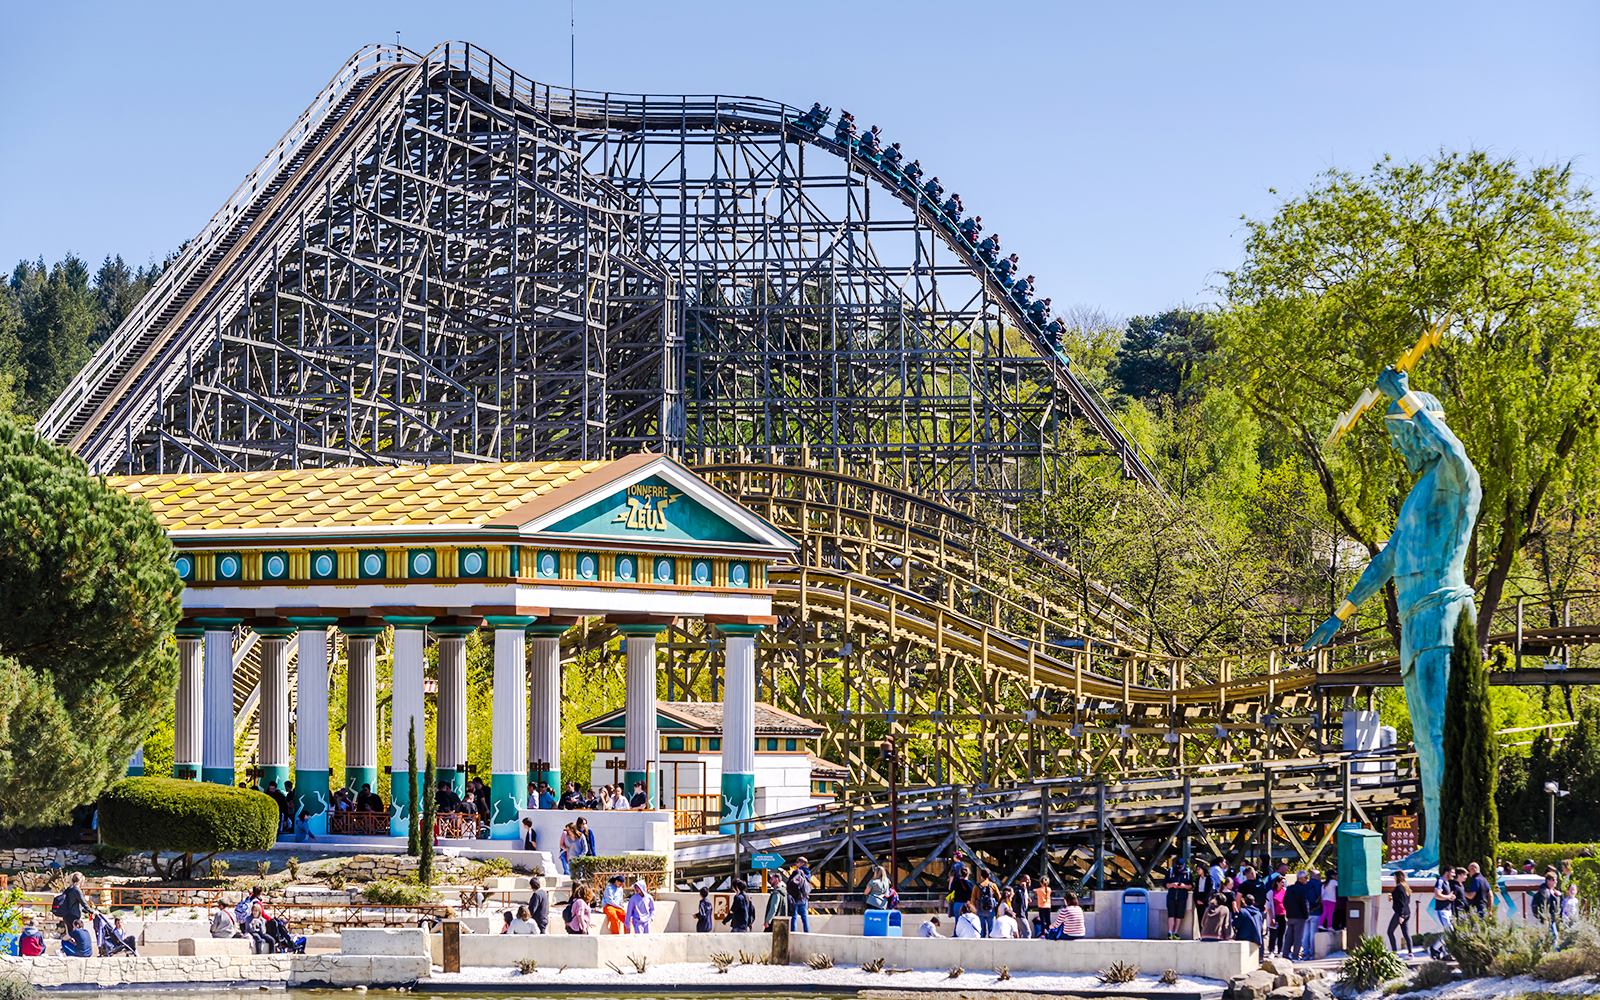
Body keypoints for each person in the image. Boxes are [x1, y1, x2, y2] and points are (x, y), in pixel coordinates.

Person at [1282, 871, 1311, 960]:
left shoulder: (1290, 888)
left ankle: (1285, 954)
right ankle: (1295, 955)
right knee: (1298, 937)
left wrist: (1288, 911)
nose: (1306, 879)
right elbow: (1305, 903)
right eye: (1305, 878)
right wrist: (1306, 914)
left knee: (1289, 936)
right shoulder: (1303, 889)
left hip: (1290, 915)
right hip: (1300, 916)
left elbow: (1285, 901)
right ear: (1301, 879)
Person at [1387, 871, 1413, 957]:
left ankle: (1394, 952)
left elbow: (1401, 902)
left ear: (1398, 877)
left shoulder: (1399, 888)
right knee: (1406, 933)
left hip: (1400, 913)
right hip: (1407, 912)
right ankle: (1410, 953)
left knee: (1390, 932)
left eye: (1394, 877)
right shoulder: (1406, 888)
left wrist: (1401, 915)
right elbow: (1405, 901)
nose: (1394, 878)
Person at [1233, 894, 1265, 961]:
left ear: (1244, 902)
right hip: (1257, 938)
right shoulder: (1259, 914)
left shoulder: (1242, 912)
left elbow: (1236, 925)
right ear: (1253, 902)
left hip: (1244, 937)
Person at [1165, 865, 1192, 940]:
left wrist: (1184, 886)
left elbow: (1191, 885)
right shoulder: (1171, 871)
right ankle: (1170, 932)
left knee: (1179, 916)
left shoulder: (1187, 872)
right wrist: (1172, 885)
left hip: (1182, 897)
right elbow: (1165, 884)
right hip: (1171, 897)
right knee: (1171, 915)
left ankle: (1175, 933)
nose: (1179, 870)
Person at [1531, 872, 1561, 938]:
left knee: (1549, 936)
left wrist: (1560, 896)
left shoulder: (1554, 892)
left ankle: (1538, 947)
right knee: (1553, 935)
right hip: (1547, 918)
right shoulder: (1544, 892)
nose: (1556, 881)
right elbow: (1542, 906)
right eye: (1553, 880)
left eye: (1556, 879)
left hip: (1553, 918)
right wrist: (1545, 918)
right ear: (1548, 880)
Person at [789, 857, 813, 932]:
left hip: (796, 897)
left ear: (802, 863)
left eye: (797, 862)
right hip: (804, 897)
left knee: (794, 917)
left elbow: (789, 883)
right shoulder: (808, 873)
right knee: (804, 917)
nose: (795, 864)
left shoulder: (796, 872)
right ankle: (807, 933)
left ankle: (793, 933)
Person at [974, 867, 1000, 937]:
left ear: (981, 876)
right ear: (989, 876)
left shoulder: (977, 887)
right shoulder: (993, 885)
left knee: (981, 930)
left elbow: (973, 899)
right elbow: (999, 898)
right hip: (991, 910)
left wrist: (974, 910)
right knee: (992, 930)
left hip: (980, 909)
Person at [1267, 874, 1288, 955]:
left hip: (1283, 915)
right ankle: (1271, 951)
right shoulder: (1271, 892)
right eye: (1282, 882)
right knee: (1273, 934)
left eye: (1284, 882)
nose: (1283, 884)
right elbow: (1268, 906)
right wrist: (1272, 917)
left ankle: (1280, 951)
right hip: (1275, 915)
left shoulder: (1285, 891)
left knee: (1281, 935)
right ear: (1277, 883)